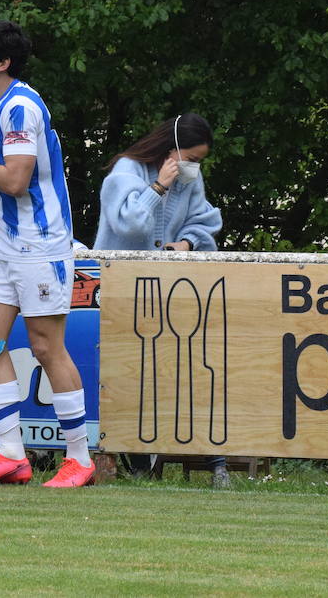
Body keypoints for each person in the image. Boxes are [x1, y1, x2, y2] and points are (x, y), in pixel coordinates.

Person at [0, 20, 94, 488]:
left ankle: (79, 459)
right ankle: (11, 454)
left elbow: (14, 180)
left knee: (47, 347)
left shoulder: (21, 106)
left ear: (2, 63)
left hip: (39, 244)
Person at [95, 113, 228, 486]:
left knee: (179, 369)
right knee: (127, 372)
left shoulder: (190, 181)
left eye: (199, 161)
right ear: (170, 151)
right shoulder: (125, 172)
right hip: (121, 287)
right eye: (192, 158)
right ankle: (135, 460)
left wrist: (187, 242)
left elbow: (205, 221)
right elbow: (129, 225)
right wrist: (157, 188)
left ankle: (213, 458)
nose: (195, 168)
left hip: (169, 287)